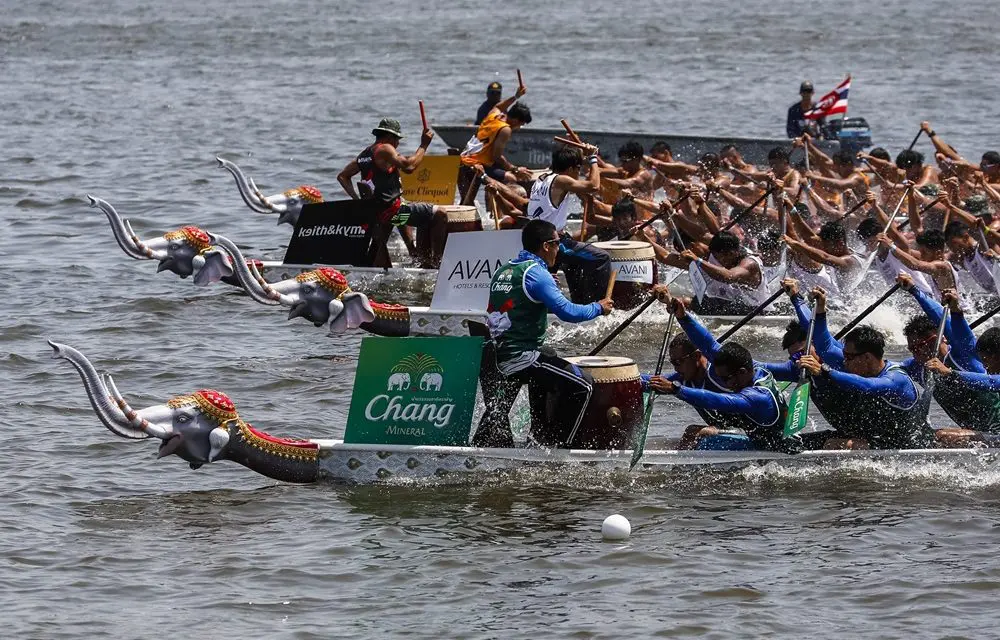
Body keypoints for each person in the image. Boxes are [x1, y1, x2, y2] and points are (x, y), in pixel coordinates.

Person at [473, 220, 613, 448]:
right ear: (546, 246)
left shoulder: (505, 269)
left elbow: (520, 302)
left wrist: (547, 289)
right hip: (519, 358)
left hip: (496, 356)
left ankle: (538, 436)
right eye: (558, 243)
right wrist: (599, 307)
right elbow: (568, 312)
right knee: (584, 385)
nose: (560, 249)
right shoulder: (537, 275)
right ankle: (560, 448)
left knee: (548, 353)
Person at [645, 295, 797, 453]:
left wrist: (676, 389)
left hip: (780, 449)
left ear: (742, 372)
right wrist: (683, 317)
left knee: (706, 444)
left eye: (726, 379)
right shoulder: (754, 368)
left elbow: (716, 400)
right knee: (699, 435)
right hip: (759, 439)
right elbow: (709, 345)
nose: (726, 384)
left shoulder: (757, 397)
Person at [796, 299, 933, 449]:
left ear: (867, 357)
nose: (844, 362)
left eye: (848, 357)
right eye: (845, 355)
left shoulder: (896, 378)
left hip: (908, 443)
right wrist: (817, 308)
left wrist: (824, 371)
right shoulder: (856, 360)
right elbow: (825, 345)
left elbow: (869, 386)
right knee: (796, 441)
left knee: (837, 444)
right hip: (876, 437)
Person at [336, 118, 449, 268]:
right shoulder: (385, 148)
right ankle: (437, 264)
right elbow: (409, 167)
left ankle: (413, 254)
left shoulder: (365, 154)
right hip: (390, 213)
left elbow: (342, 176)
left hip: (379, 212)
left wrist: (358, 201)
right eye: (397, 140)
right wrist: (424, 145)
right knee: (440, 213)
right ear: (390, 137)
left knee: (400, 207)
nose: (398, 144)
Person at [898, 284, 1000, 438]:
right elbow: (879, 368)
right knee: (921, 435)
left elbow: (943, 318)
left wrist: (955, 310)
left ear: (937, 339)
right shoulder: (916, 367)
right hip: (981, 434)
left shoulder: (963, 357)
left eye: (919, 347)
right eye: (911, 349)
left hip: (996, 432)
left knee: (943, 437)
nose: (915, 353)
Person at [527, 146, 613, 304]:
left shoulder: (542, 179)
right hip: (552, 242)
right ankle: (599, 306)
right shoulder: (561, 180)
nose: (578, 175)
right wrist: (593, 158)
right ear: (571, 168)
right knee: (601, 258)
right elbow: (594, 186)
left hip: (537, 238)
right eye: (578, 170)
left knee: (573, 265)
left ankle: (578, 304)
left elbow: (586, 198)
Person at [676, 230, 771, 316]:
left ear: (733, 253)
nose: (719, 261)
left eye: (720, 257)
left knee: (691, 302)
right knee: (689, 302)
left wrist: (698, 260)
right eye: (716, 257)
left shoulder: (749, 264)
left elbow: (729, 277)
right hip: (741, 307)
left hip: (760, 311)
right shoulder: (732, 257)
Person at [460, 84, 532, 185]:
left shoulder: (493, 115)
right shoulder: (505, 129)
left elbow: (499, 106)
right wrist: (515, 169)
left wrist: (516, 96)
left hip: (464, 159)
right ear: (515, 120)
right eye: (521, 124)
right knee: (511, 179)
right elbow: (496, 157)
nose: (519, 128)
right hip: (475, 165)